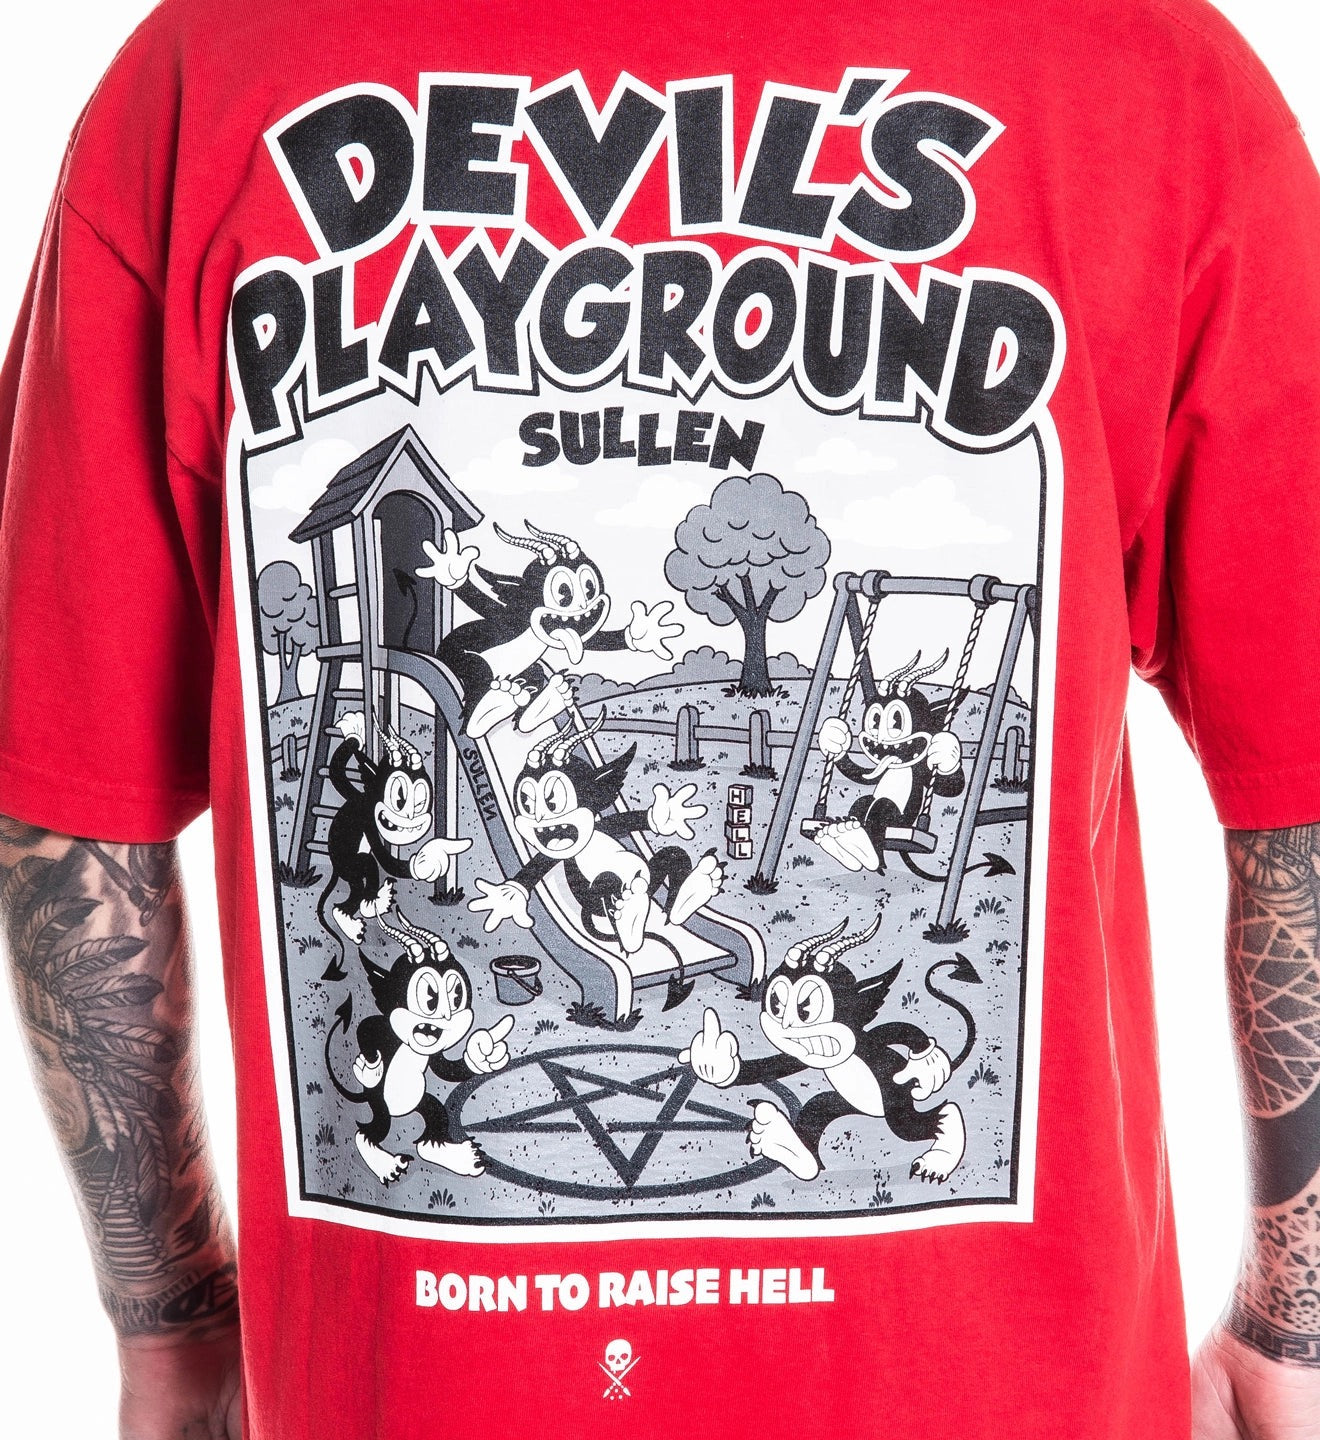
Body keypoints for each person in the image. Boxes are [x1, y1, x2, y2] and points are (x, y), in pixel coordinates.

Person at [2, 0, 1320, 1435]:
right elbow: (1302, 793)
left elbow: (68, 835)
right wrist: (1293, 1333)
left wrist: (173, 1327)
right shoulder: (1150, 81)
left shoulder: (204, 80)